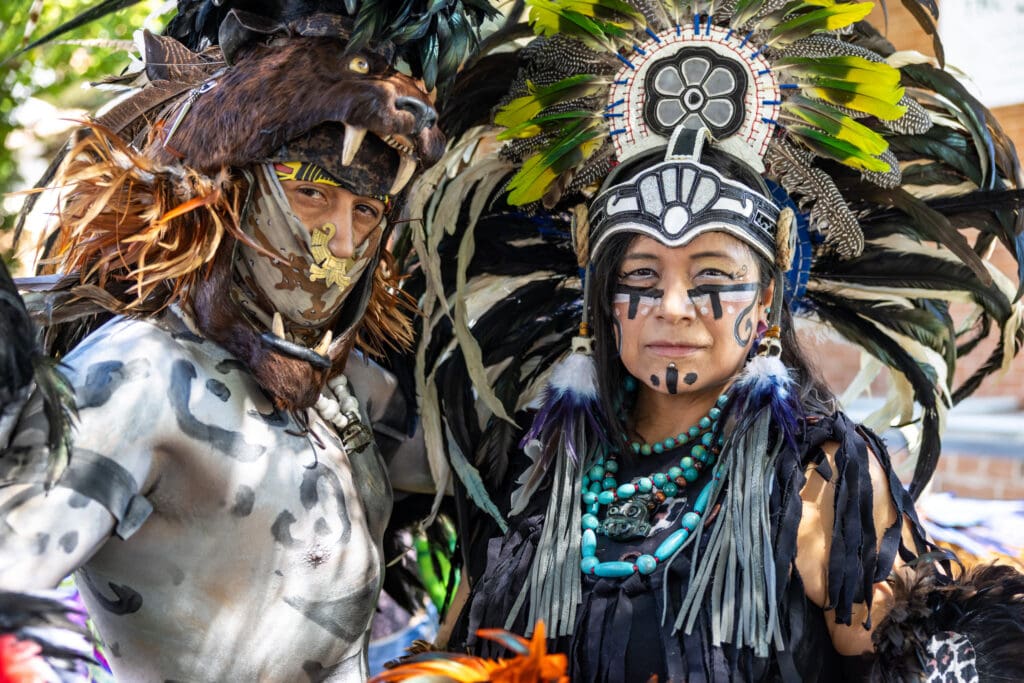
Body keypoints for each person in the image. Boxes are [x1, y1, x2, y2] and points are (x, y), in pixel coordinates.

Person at [395, 2, 1024, 680]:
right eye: (641, 273)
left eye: (711, 276)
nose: (673, 308)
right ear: (601, 299)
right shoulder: (534, 460)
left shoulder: (821, 480)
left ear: (765, 300)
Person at [0, 1, 492, 679]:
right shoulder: (137, 375)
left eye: (367, 210)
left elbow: (490, 456)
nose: (340, 246)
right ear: (230, 190)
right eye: (312, 194)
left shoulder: (349, 392)